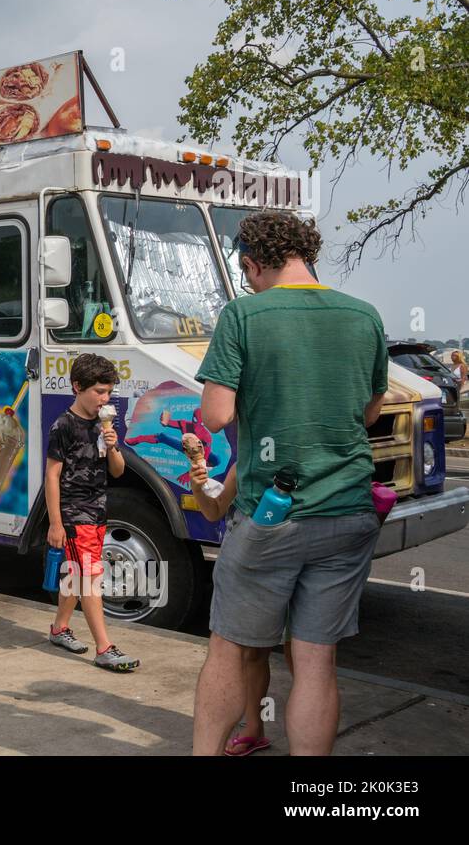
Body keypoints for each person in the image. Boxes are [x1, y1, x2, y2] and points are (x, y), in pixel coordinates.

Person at [192, 210, 387, 756]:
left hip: (272, 516)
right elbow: (370, 413)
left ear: (253, 264)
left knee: (228, 650)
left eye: (247, 271)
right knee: (317, 659)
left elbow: (215, 416)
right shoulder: (363, 315)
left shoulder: (244, 315)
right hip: (349, 512)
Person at [44, 353, 141, 672]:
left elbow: (118, 470)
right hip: (75, 514)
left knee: (75, 575)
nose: (105, 398)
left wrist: (112, 444)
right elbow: (52, 476)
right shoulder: (64, 426)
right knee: (90, 578)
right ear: (77, 387)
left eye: (109, 392)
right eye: (99, 391)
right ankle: (104, 647)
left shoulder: (103, 426)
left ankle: (59, 628)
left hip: (99, 511)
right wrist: (56, 523)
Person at [190, 463, 290, 756]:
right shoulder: (247, 461)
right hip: (254, 566)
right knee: (252, 653)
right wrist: (198, 486)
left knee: (303, 656)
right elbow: (214, 510)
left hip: (301, 563)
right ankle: (254, 729)